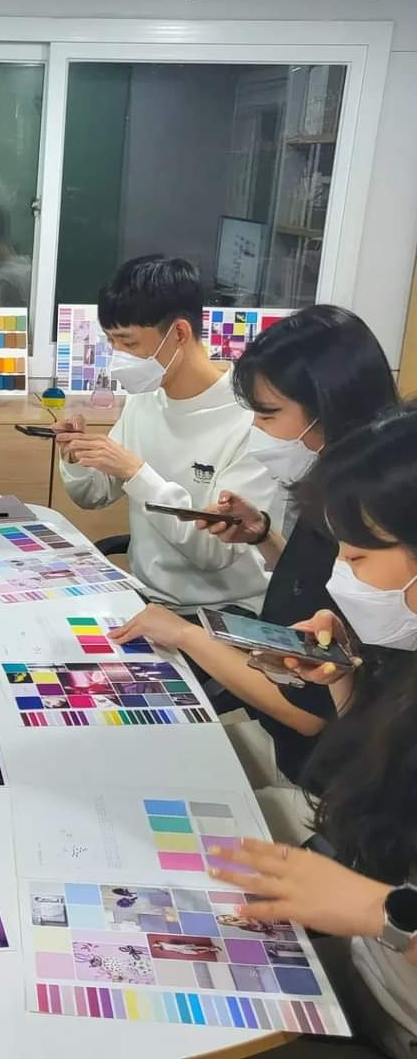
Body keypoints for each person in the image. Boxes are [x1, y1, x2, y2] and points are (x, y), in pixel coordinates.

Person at [109, 307, 398, 834]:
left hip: (318, 779)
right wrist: (264, 536)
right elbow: (314, 588)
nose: (256, 431)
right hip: (291, 739)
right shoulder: (333, 487)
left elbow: (308, 711)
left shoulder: (370, 515)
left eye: (267, 416)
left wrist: (185, 635)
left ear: (326, 409)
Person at [210, 403, 417, 1058]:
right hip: (365, 972)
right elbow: (378, 787)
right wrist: (343, 676)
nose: (337, 579)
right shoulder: (404, 665)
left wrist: (379, 912)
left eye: (357, 556)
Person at [57, 255, 277, 615]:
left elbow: (214, 552)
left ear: (179, 334)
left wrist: (136, 473)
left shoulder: (254, 418)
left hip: (224, 613)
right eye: (111, 342)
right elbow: (93, 495)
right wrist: (76, 455)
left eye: (129, 344)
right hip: (148, 601)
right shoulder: (146, 396)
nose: (118, 358)